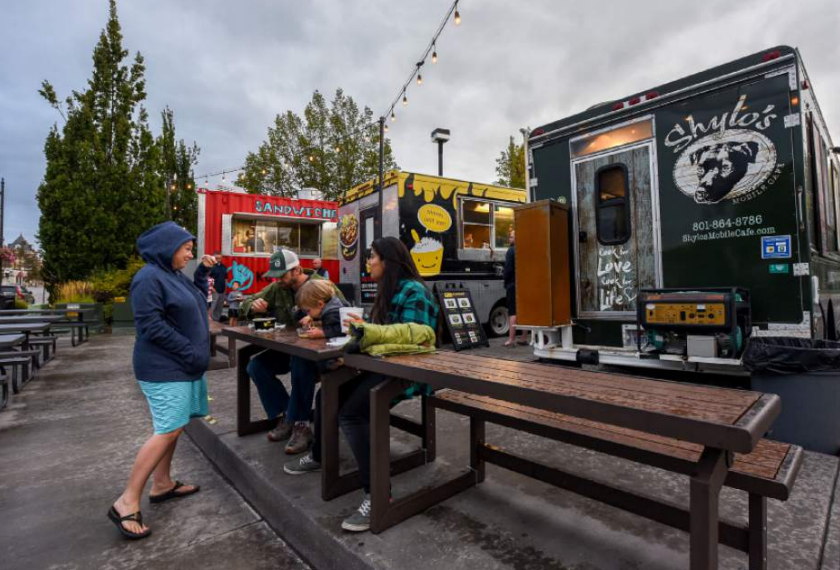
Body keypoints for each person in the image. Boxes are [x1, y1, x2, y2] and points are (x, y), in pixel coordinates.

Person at [284, 236, 439, 533]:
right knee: (326, 395)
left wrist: (365, 337)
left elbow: (415, 339)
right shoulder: (388, 290)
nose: (368, 261)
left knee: (352, 412)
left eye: (372, 256)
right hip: (383, 367)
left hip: (410, 372)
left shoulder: (414, 291)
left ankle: (378, 493)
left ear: (388, 261)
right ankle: (320, 457)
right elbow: (382, 336)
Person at [107, 221, 214, 540]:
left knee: (175, 425)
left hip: (182, 366)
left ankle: (163, 483)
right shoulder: (148, 278)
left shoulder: (171, 275)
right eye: (186, 247)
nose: (191, 252)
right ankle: (126, 501)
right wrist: (189, 351)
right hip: (164, 368)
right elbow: (150, 325)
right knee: (167, 429)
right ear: (167, 248)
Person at [239, 248, 345, 455]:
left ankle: (301, 425)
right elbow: (245, 302)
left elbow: (346, 313)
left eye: (282, 275)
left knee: (300, 363)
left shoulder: (321, 285)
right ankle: (289, 414)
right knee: (255, 366)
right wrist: (254, 306)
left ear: (296, 270)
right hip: (289, 348)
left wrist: (319, 320)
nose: (278, 280)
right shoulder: (277, 287)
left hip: (318, 355)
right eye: (276, 276)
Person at [503, 229, 528, 347]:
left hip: (512, 284)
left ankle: (511, 339)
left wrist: (505, 279)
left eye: (512, 237)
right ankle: (523, 338)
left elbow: (508, 269)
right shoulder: (525, 250)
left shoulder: (511, 251)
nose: (510, 239)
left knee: (513, 312)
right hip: (523, 284)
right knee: (524, 311)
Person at [209, 251, 227, 322]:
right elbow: (207, 278)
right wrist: (212, 288)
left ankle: (216, 322)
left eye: (220, 258)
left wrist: (225, 290)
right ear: (214, 258)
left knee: (219, 308)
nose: (218, 259)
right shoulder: (211, 266)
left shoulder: (224, 267)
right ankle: (210, 323)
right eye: (217, 258)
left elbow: (226, 279)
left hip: (222, 291)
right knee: (212, 308)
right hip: (214, 291)